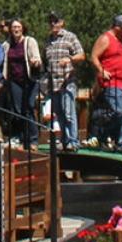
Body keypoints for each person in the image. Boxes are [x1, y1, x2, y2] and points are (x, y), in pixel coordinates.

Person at [90, 14, 122, 149]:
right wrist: (101, 70)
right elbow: (94, 56)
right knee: (119, 111)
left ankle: (121, 144)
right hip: (112, 82)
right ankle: (104, 135)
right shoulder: (106, 38)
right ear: (117, 27)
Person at [43, 13, 86, 150]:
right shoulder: (48, 41)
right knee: (59, 113)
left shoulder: (70, 37)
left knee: (69, 112)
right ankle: (63, 140)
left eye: (55, 21)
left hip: (67, 80)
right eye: (50, 21)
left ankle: (73, 141)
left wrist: (70, 59)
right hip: (53, 82)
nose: (53, 24)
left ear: (61, 22)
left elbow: (82, 55)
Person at [2, 21, 42, 148]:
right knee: (17, 110)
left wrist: (35, 62)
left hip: (29, 79)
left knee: (29, 108)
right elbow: (2, 61)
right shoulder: (6, 44)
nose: (16, 29)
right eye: (14, 27)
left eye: (18, 27)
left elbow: (37, 58)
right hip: (14, 80)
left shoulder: (29, 41)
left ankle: (33, 139)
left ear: (23, 28)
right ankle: (21, 138)